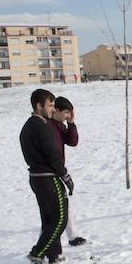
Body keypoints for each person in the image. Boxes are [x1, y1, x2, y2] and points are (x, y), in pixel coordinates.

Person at [20, 88, 73, 264]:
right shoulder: (41, 127)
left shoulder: (28, 125)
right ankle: (37, 252)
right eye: (50, 105)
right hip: (47, 177)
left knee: (49, 218)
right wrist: (65, 176)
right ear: (38, 105)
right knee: (60, 218)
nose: (52, 108)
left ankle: (55, 254)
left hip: (36, 177)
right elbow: (53, 155)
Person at [48, 96, 86, 246]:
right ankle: (48, 244)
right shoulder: (47, 125)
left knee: (62, 205)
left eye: (69, 114)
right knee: (54, 210)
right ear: (56, 110)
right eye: (65, 113)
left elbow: (73, 141)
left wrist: (71, 124)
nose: (67, 116)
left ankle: (72, 236)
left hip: (57, 170)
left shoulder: (59, 124)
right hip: (50, 172)